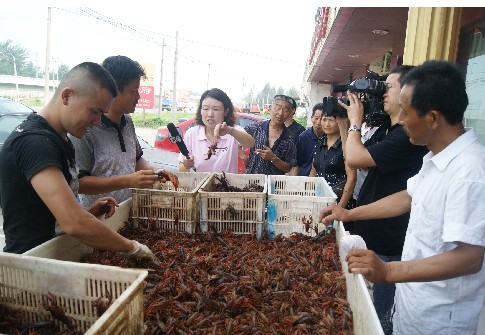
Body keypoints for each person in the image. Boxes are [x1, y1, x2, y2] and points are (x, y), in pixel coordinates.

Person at [321, 60, 485, 335]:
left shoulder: (469, 170)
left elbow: (469, 257)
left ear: (432, 118)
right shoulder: (437, 157)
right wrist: (348, 214)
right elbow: (407, 197)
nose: (402, 121)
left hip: (439, 320)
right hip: (412, 306)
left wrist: (389, 272)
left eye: (406, 113)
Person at [0, 61, 155, 259]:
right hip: (32, 264)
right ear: (67, 96)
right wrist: (132, 247)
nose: (97, 121)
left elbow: (53, 217)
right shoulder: (35, 143)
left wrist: (89, 212)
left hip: (60, 255)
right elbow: (73, 223)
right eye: (95, 111)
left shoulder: (61, 138)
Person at [333, 65, 429, 333]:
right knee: (372, 309)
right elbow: (353, 160)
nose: (383, 93)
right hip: (375, 235)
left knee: (379, 318)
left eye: (390, 87)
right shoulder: (387, 130)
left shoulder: (407, 139)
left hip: (390, 242)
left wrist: (354, 122)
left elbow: (355, 158)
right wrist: (345, 125)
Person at [70, 55, 159, 208]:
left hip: (129, 209)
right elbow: (80, 183)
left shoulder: (128, 121)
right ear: (114, 90)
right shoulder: (86, 128)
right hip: (101, 216)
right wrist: (128, 181)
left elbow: (136, 160)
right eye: (134, 91)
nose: (138, 96)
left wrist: (156, 173)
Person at [178, 88, 255, 173]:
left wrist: (230, 131)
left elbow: (250, 143)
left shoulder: (233, 131)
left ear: (226, 111)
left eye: (216, 109)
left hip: (227, 185)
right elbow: (182, 169)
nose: (210, 114)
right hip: (201, 185)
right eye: (206, 109)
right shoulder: (192, 134)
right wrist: (186, 164)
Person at [309, 114, 356, 217]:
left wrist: (340, 208)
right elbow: (314, 169)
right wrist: (308, 195)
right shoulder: (320, 142)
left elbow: (352, 178)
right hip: (319, 200)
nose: (327, 124)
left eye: (331, 120)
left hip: (339, 201)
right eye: (324, 120)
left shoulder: (345, 144)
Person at [244, 95, 297, 175]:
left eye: (285, 110)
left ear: (289, 113)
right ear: (270, 108)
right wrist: (244, 157)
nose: (280, 113)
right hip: (252, 180)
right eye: (277, 108)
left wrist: (273, 158)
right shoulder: (254, 128)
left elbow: (288, 168)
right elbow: (235, 141)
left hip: (274, 184)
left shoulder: (289, 138)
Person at [290, 102, 324, 176]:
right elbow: (298, 164)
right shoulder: (303, 137)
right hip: (306, 179)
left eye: (322, 119)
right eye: (316, 118)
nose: (318, 123)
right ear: (311, 118)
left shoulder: (329, 137)